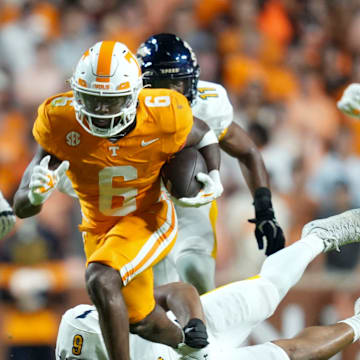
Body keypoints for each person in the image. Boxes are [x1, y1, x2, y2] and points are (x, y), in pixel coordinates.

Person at [13, 41, 223, 360]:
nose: (101, 112)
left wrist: (215, 176)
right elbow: (20, 205)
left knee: (101, 277)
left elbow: (203, 133)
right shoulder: (59, 118)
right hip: (97, 227)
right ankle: (195, 349)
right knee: (140, 321)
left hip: (148, 217)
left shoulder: (163, 112)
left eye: (111, 102)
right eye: (93, 100)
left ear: (135, 94)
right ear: (76, 93)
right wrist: (36, 194)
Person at [56, 208, 360, 359]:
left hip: (192, 327)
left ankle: (318, 237)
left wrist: (194, 328)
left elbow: (179, 291)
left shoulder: (82, 331)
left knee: (267, 291)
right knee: (290, 353)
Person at [136, 33, 285, 293]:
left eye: (179, 84)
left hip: (192, 203)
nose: (173, 94)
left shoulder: (208, 104)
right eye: (163, 84)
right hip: (144, 206)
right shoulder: (127, 110)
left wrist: (264, 209)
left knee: (200, 280)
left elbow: (248, 151)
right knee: (156, 294)